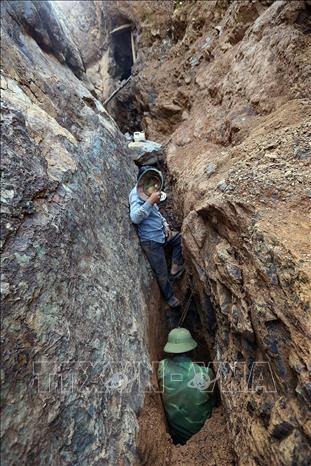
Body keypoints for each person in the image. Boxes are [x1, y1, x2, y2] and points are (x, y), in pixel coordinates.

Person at [129, 166, 184, 308]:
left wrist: (165, 225)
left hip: (161, 233)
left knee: (180, 239)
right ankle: (170, 298)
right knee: (161, 272)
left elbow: (156, 212)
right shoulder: (136, 195)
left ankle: (175, 267)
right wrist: (150, 202)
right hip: (151, 242)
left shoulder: (151, 192)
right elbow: (135, 218)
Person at [158, 328, 215, 444]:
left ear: (170, 351)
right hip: (203, 434)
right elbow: (214, 399)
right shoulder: (205, 373)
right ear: (192, 350)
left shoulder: (162, 367)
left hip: (177, 436)